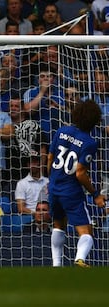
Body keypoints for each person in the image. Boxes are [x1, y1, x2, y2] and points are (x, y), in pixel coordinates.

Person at [48, 99, 106, 268]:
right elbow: (80, 172)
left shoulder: (61, 131)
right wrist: (95, 194)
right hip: (71, 190)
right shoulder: (89, 142)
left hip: (54, 187)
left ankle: (56, 264)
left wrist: (52, 179)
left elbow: (50, 158)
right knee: (86, 231)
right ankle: (80, 258)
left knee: (58, 224)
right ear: (95, 120)